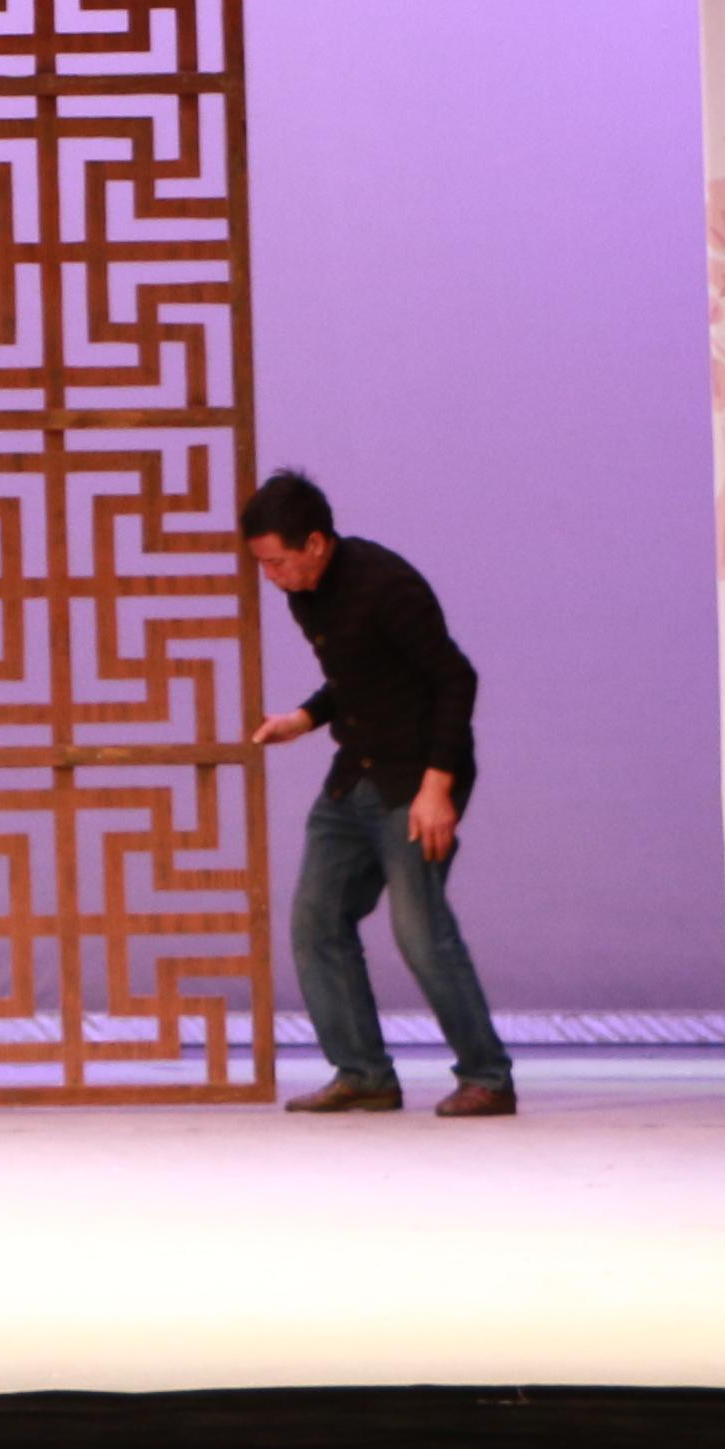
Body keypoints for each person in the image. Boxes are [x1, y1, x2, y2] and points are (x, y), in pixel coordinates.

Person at [241, 468, 513, 1117]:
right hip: (355, 773)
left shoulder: (387, 584)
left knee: (419, 929)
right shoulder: (306, 594)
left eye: (277, 562)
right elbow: (358, 678)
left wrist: (437, 788)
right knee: (316, 920)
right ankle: (363, 1073)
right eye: (262, 565)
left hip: (415, 777)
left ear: (314, 542)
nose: (271, 577)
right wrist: (304, 719)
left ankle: (488, 1076)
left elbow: (455, 679)